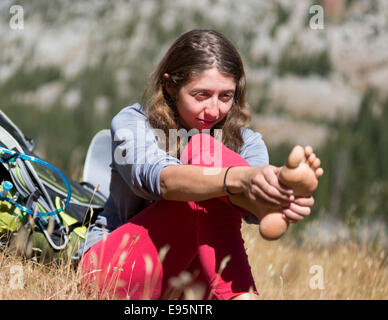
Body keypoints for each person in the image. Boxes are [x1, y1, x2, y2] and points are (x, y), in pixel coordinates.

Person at [77, 29, 323, 300]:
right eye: (201, 95)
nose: (214, 110)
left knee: (215, 167)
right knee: (205, 155)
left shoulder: (248, 142)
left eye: (226, 96)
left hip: (190, 288)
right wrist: (238, 180)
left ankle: (263, 197)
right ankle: (243, 293)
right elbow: (161, 179)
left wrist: (276, 192)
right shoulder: (133, 123)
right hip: (112, 273)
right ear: (170, 86)